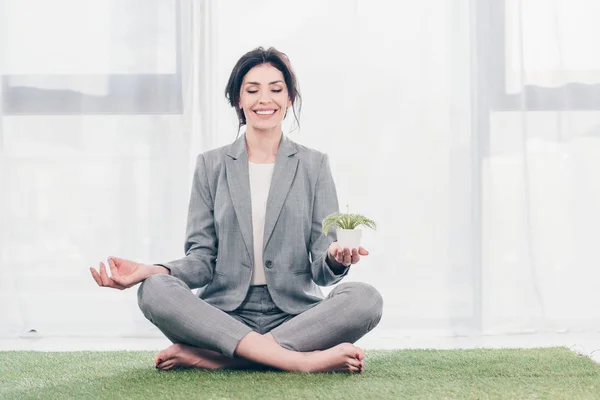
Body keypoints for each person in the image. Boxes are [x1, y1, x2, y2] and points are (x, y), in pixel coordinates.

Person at [90, 47, 383, 373]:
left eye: (276, 89)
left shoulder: (314, 165)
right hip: (225, 314)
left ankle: (218, 357)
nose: (264, 99)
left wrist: (334, 258)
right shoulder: (210, 165)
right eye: (252, 90)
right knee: (154, 290)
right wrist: (152, 269)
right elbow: (201, 261)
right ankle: (299, 361)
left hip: (295, 316)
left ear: (289, 99)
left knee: (365, 298)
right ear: (237, 100)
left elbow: (321, 269)